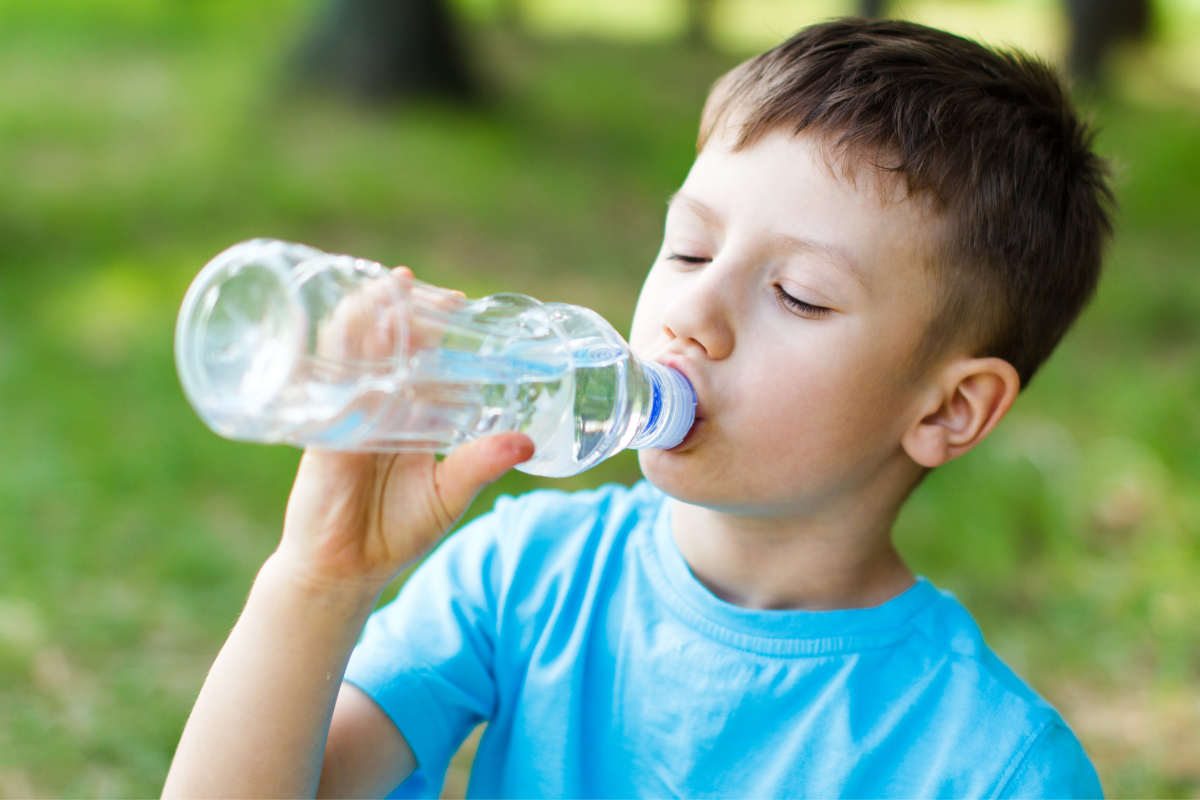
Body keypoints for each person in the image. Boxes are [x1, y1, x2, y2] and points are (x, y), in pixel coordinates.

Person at [162, 18, 1112, 799]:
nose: (692, 315)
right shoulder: (524, 577)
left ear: (949, 411)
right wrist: (318, 583)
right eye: (690, 251)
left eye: (800, 296)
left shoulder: (991, 768)